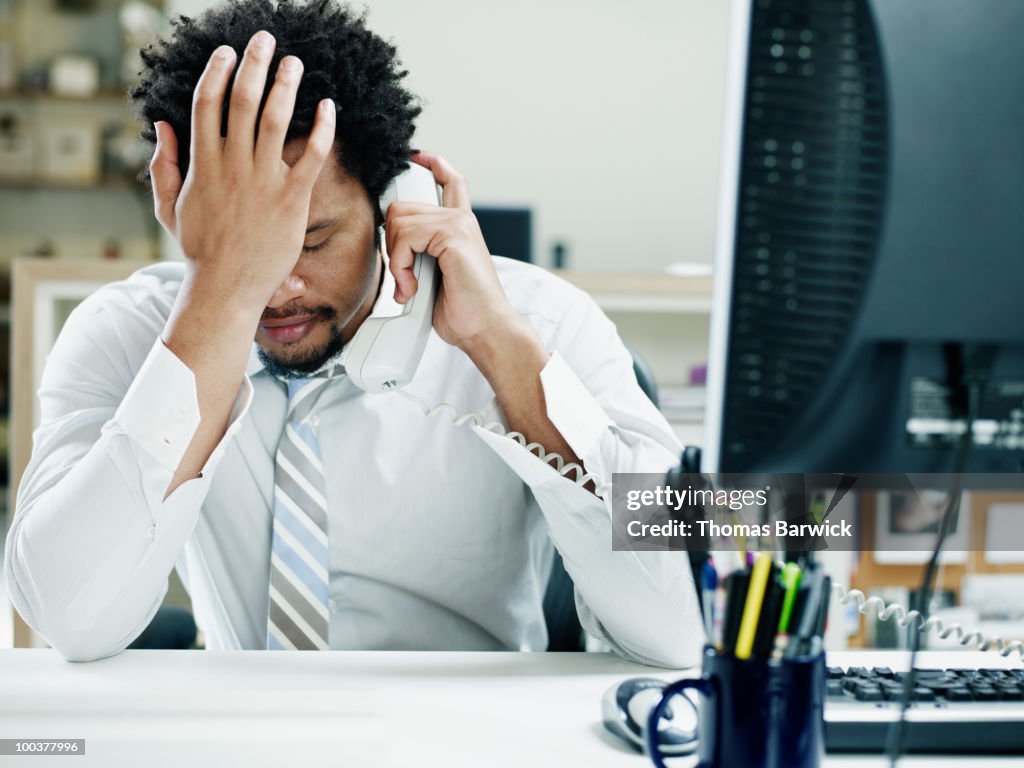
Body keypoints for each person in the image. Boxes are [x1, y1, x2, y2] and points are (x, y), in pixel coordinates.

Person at [4, 0, 702, 666]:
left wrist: (501, 349)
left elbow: (676, 631)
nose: (277, 289)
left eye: (312, 241)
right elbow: (67, 617)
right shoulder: (125, 334)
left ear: (394, 200)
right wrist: (215, 296)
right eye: (244, 243)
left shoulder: (542, 319)